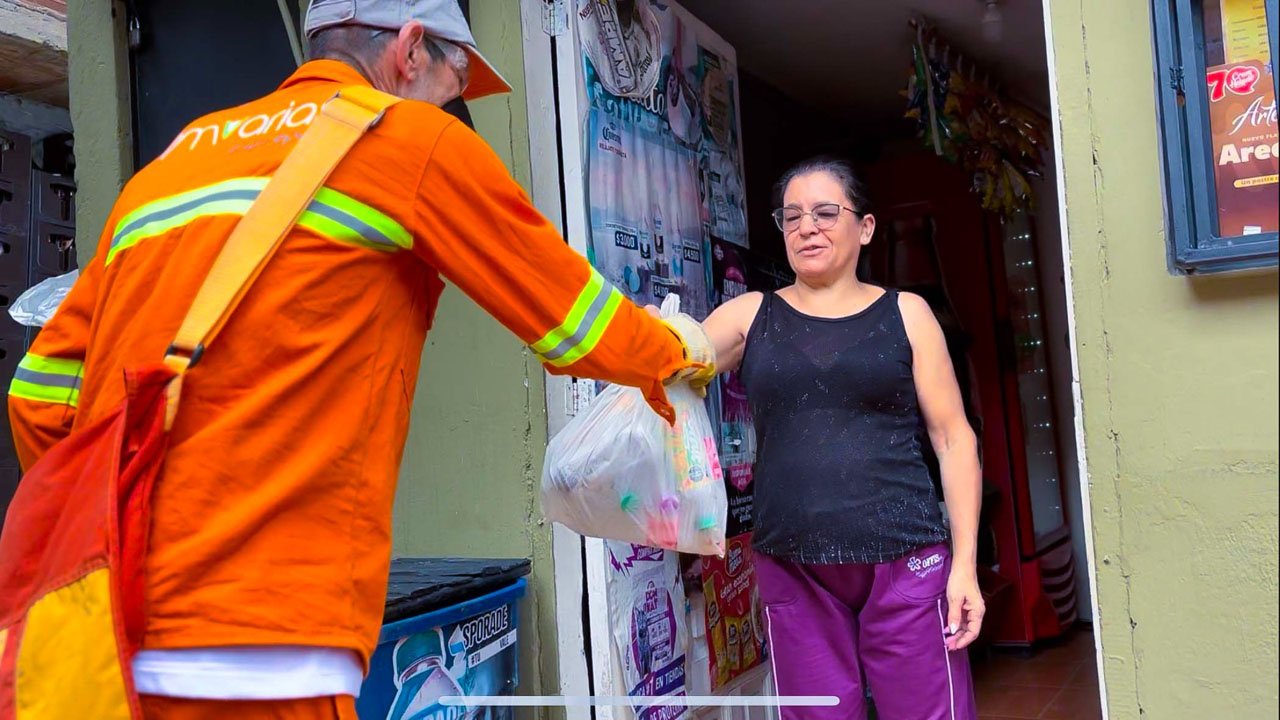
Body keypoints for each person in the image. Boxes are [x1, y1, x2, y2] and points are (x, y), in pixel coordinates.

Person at [5, 1, 711, 718]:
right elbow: (576, 327)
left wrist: (124, 528)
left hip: (108, 641)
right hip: (270, 648)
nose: (454, 106)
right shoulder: (408, 138)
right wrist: (681, 350)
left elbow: (39, 394)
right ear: (410, 50)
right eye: (455, 81)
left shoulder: (170, 165)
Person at [701, 156, 983, 719]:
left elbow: (955, 440)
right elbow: (672, 358)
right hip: (794, 566)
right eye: (792, 217)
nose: (807, 227)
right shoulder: (750, 316)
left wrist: (966, 567)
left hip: (904, 558)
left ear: (865, 227)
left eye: (826, 213)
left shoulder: (907, 314)